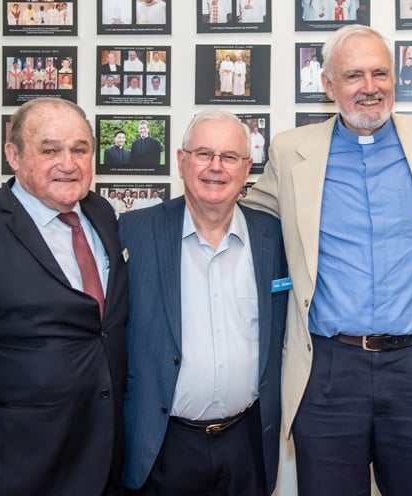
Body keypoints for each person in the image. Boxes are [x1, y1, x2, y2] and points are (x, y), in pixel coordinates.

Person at [243, 24, 412, 496]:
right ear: (328, 85)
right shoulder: (290, 151)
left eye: (380, 73)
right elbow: (249, 223)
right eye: (354, 75)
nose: (370, 87)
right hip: (327, 370)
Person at [120, 108, 288, 496]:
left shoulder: (273, 238)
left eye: (230, 157)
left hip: (246, 442)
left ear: (247, 169)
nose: (216, 167)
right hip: (163, 444)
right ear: (181, 161)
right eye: (203, 154)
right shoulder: (132, 232)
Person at [0, 97, 128, 495]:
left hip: (105, 452)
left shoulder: (101, 215)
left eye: (80, 149)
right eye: (49, 150)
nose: (68, 163)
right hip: (20, 464)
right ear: (13, 154)